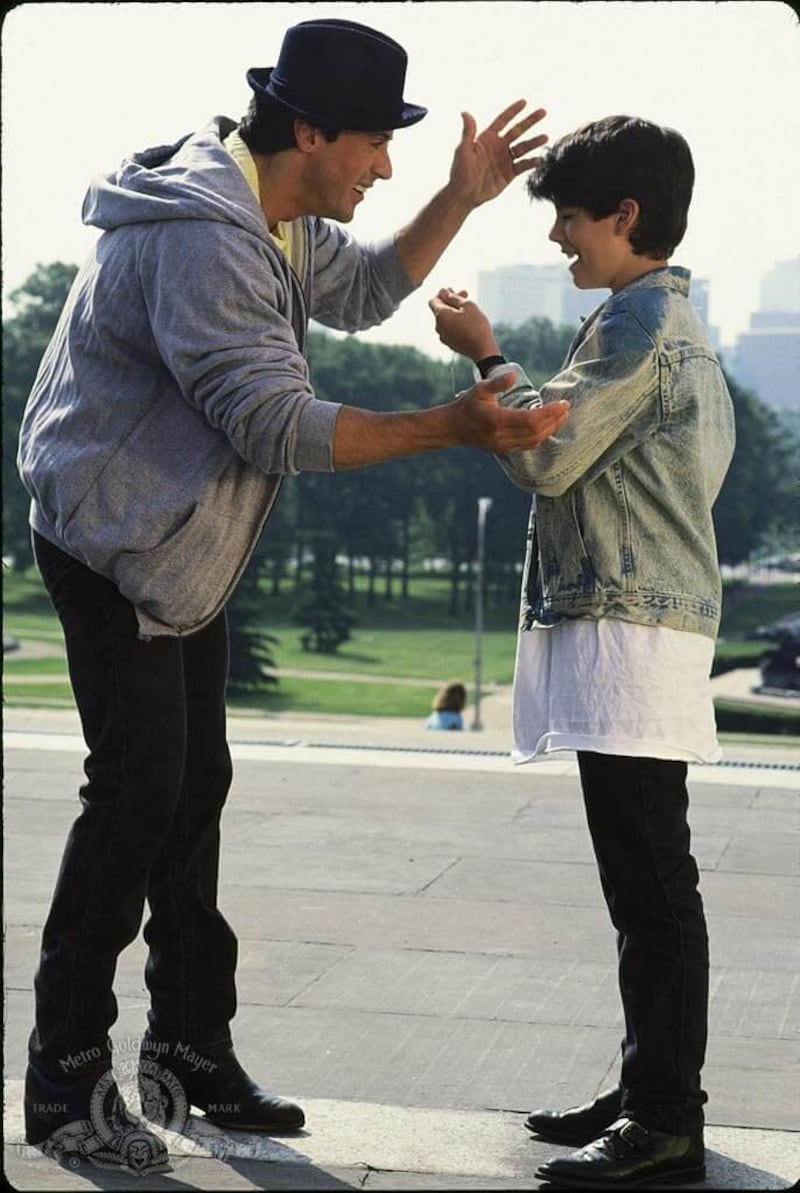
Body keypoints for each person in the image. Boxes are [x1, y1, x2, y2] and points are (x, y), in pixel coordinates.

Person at [15, 17, 570, 1174]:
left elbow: (364, 293)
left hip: (179, 543)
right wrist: (452, 426)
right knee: (135, 796)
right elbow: (274, 423)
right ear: (309, 130)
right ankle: (65, 1077)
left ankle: (189, 1045)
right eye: (373, 143)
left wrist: (462, 196)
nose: (382, 166)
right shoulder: (207, 241)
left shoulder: (272, 214)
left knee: (192, 784)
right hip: (116, 541)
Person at [429, 114, 735, 1188]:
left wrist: (485, 357)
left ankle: (663, 1120)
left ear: (624, 215)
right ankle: (648, 1086)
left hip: (627, 630)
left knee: (651, 883)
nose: (558, 234)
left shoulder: (638, 324)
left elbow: (544, 453)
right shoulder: (669, 323)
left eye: (568, 214)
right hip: (639, 623)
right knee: (644, 882)